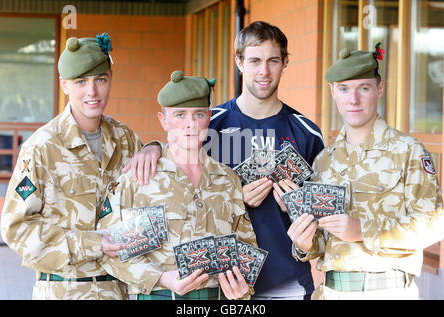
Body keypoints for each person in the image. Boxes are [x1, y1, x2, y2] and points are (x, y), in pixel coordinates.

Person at [127, 21, 324, 300]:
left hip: (287, 283)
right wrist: (153, 147)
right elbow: (176, 159)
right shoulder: (209, 123)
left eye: (273, 61)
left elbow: (322, 220)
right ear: (239, 62)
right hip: (218, 286)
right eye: (255, 60)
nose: (264, 71)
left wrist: (297, 208)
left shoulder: (306, 132)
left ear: (285, 63)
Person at [287, 44, 444, 299]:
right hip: (330, 292)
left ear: (379, 89)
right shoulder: (324, 161)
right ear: (332, 92)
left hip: (387, 291)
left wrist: (363, 231)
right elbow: (322, 240)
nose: (353, 99)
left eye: (364, 88)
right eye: (344, 89)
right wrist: (304, 243)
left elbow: (434, 223)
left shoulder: (408, 151)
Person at [0, 33, 144, 300]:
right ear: (64, 85)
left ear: (110, 79)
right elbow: (15, 228)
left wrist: (155, 148)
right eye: (81, 82)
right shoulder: (42, 147)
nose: (92, 92)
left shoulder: (125, 139)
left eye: (100, 80)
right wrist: (93, 243)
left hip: (119, 291)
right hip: (64, 290)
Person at [97, 70, 258, 300]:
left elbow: (246, 246)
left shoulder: (227, 180)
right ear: (163, 121)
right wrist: (161, 278)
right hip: (160, 295)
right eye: (180, 115)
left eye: (199, 114)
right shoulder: (139, 178)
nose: (190, 124)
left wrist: (244, 289)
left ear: (209, 118)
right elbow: (109, 249)